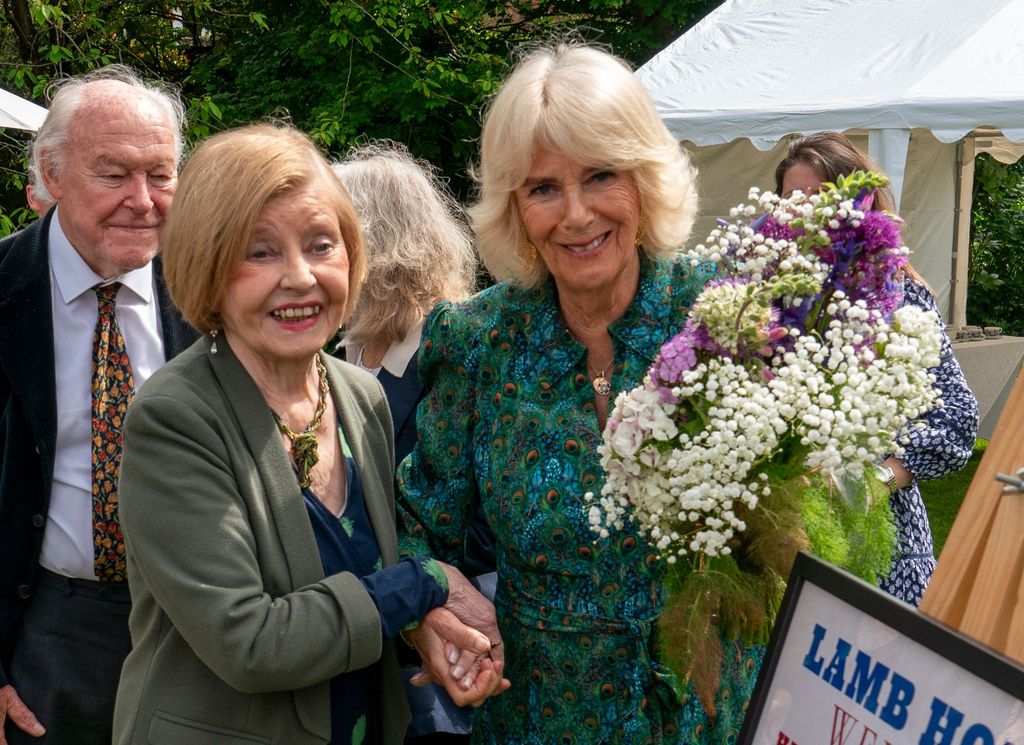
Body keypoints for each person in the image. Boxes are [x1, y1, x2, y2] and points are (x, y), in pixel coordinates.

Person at [396, 42, 760, 743]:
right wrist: (432, 612)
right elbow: (417, 523)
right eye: (543, 188)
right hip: (539, 717)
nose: (576, 214)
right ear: (514, 206)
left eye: (601, 176)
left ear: (645, 179)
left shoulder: (723, 318)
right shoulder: (478, 340)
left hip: (708, 712)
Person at [112, 123, 506, 745]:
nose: (299, 277)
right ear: (208, 266)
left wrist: (424, 628)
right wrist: (425, 583)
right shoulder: (174, 417)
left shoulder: (359, 395)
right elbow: (251, 643)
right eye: (260, 252)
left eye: (322, 245)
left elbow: (360, 576)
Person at [0, 65, 198, 745]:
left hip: (197, 624)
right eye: (114, 174)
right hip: (44, 626)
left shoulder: (215, 294)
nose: (143, 201)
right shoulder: (4, 289)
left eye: (162, 175)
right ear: (52, 175)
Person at [774, 130, 980, 605]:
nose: (803, 210)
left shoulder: (897, 295)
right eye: (791, 198)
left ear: (861, 204)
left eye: (820, 196)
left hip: (883, 548)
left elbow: (954, 421)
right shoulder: (766, 299)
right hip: (783, 542)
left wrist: (874, 480)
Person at [332, 142, 494, 745]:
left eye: (331, 231)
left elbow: (486, 517)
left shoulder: (454, 352)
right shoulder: (341, 351)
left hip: (448, 653)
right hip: (360, 642)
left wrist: (430, 605)